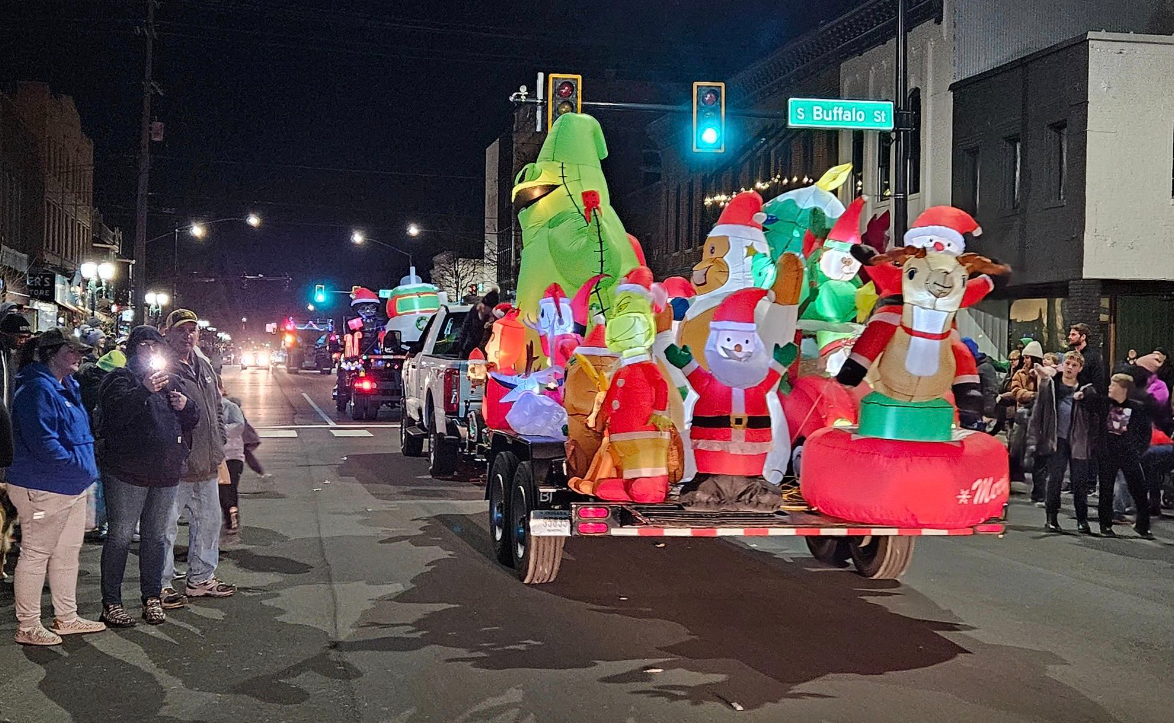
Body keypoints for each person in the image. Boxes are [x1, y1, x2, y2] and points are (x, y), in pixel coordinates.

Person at [96, 325, 200, 627]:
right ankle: (111, 602)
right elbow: (114, 417)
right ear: (133, 348)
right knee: (120, 536)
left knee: (155, 537)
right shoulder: (119, 378)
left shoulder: (171, 380)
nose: (151, 351)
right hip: (127, 471)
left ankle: (152, 597)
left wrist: (187, 406)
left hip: (165, 472)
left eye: (156, 345)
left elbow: (190, 420)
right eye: (144, 345)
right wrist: (143, 389)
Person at [7, 329, 105, 645]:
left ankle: (66, 617)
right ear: (51, 354)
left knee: (66, 554)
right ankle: (28, 625)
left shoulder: (64, 386)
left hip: (67, 485)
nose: (78, 357)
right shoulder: (37, 389)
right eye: (71, 351)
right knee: (36, 554)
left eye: (80, 351)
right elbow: (43, 441)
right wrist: (75, 466)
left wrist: (78, 471)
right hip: (45, 486)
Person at [159, 309, 235, 608]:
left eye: (192, 330)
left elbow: (217, 406)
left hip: (207, 462)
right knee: (165, 528)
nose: (187, 335)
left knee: (208, 523)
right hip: (176, 465)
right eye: (181, 330)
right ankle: (161, 585)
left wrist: (219, 440)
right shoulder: (163, 366)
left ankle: (201, 579)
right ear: (167, 333)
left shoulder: (203, 365)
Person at [1027, 351, 1096, 533]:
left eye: (1074, 365)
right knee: (1055, 479)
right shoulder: (1050, 386)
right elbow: (1038, 412)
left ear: (1080, 368)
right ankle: (1051, 518)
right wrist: (1034, 439)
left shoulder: (1087, 390)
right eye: (1068, 364)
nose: (1070, 368)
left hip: (1078, 440)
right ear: (1062, 365)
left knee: (1079, 481)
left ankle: (1082, 520)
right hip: (1057, 439)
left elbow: (1095, 415)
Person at [1094, 374, 1152, 538]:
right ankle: (1105, 525)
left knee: (1139, 490)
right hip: (1108, 454)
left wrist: (1138, 451)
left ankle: (1143, 526)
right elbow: (1089, 401)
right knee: (1106, 490)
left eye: (1113, 385)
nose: (1109, 387)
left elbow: (1145, 433)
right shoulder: (1104, 404)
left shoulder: (1137, 408)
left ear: (1123, 388)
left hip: (1128, 454)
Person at [1006, 341, 1045, 497]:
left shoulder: (1043, 373)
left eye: (1028, 357)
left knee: (1036, 452)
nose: (1025, 360)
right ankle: (1016, 477)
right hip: (1023, 415)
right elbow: (1016, 391)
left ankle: (1038, 488)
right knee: (1016, 447)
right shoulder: (1020, 374)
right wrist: (1033, 395)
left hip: (1039, 417)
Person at [219, 380, 246, 534]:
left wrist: (219, 429)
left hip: (232, 455)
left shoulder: (230, 407)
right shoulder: (207, 405)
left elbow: (239, 426)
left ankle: (232, 517)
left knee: (229, 488)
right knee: (222, 490)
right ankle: (228, 515)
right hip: (218, 456)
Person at [961, 338, 999, 431]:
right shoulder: (968, 366)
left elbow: (991, 391)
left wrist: (987, 414)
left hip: (978, 414)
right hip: (967, 412)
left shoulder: (984, 368)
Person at [456, 287, 499, 359]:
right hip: (468, 351)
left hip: (484, 354)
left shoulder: (494, 318)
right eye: (489, 309)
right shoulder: (474, 312)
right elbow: (465, 329)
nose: (490, 311)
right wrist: (460, 348)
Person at [1068, 323, 1105, 391]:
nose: (1069, 337)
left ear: (1083, 337)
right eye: (1070, 334)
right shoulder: (1070, 355)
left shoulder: (1093, 357)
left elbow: (1098, 381)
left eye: (1073, 334)